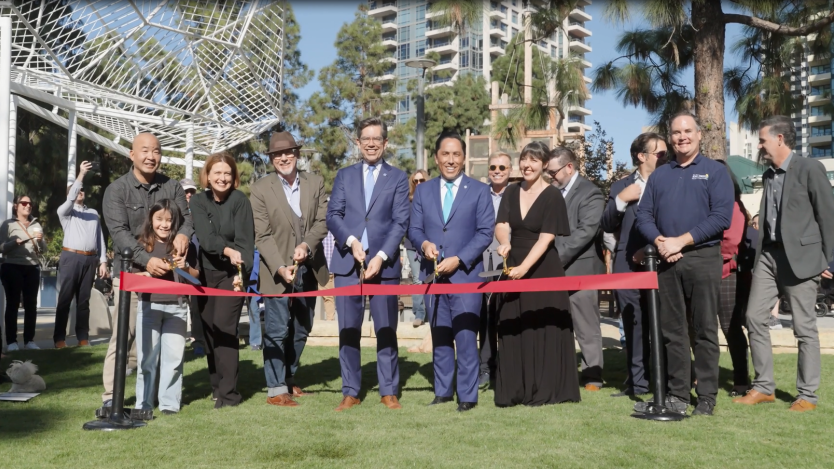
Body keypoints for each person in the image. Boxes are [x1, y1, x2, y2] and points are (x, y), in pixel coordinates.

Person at [635, 111, 734, 416]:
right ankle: (678, 393)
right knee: (672, 331)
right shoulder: (660, 175)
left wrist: (682, 240)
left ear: (699, 134)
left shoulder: (715, 172)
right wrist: (663, 242)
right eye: (676, 132)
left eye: (688, 131)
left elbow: (721, 218)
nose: (682, 137)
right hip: (666, 260)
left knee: (703, 329)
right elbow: (643, 215)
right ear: (670, 137)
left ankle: (706, 396)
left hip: (702, 257)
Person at [734, 115, 834, 412]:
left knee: (804, 328)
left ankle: (807, 396)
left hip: (801, 259)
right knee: (753, 318)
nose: (760, 146)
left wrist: (828, 259)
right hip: (768, 257)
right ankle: (764, 387)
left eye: (763, 140)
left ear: (780, 139)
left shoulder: (809, 168)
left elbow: (828, 216)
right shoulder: (768, 175)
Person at [101, 132, 192, 413]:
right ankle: (110, 397)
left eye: (156, 151)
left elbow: (187, 219)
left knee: (161, 346)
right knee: (123, 338)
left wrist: (184, 235)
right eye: (145, 150)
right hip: (131, 275)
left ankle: (157, 400)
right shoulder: (117, 190)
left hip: (168, 279)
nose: (151, 156)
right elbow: (119, 233)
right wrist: (144, 260)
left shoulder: (173, 186)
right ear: (131, 154)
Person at [326, 116, 410, 411]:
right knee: (348, 329)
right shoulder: (344, 176)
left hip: (384, 266)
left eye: (378, 139)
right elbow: (333, 216)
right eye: (366, 138)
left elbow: (401, 221)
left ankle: (389, 390)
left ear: (385, 143)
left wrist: (381, 256)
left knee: (386, 328)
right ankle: (350, 390)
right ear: (357, 142)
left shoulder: (398, 178)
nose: (372, 143)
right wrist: (351, 242)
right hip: (348, 263)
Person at [408, 132, 494, 412]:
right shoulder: (423, 190)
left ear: (464, 158)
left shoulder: (480, 191)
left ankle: (467, 395)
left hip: (466, 276)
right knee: (440, 336)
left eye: (456, 154)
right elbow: (414, 229)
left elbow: (485, 233)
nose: (451, 160)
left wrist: (460, 258)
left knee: (466, 337)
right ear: (436, 157)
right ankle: (443, 391)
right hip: (433, 276)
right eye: (445, 154)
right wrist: (424, 244)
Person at [494, 141, 580, 406]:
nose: (526, 165)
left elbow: (546, 239)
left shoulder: (553, 195)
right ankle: (515, 390)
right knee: (513, 325)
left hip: (542, 268)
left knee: (542, 327)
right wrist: (504, 241)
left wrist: (524, 268)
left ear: (544, 165)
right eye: (523, 159)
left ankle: (544, 389)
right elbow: (501, 224)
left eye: (533, 160)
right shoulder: (510, 191)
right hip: (514, 262)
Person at [250, 131, 329, 408]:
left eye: (288, 152)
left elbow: (322, 221)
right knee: (276, 329)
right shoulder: (260, 189)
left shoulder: (315, 183)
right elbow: (262, 235)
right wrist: (281, 267)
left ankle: (288, 376)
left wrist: (306, 245)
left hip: (310, 267)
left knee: (302, 328)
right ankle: (275, 389)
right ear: (271, 159)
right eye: (277, 154)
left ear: (296, 154)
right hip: (277, 271)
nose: (283, 157)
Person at [601, 132, 666, 397]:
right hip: (626, 266)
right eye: (659, 153)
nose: (665, 157)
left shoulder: (670, 182)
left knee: (662, 325)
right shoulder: (621, 186)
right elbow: (606, 224)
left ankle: (668, 381)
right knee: (633, 325)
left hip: (662, 263)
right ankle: (638, 383)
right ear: (642, 156)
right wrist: (621, 200)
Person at [190, 151, 255, 409]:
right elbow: (205, 239)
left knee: (224, 327)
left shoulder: (240, 201)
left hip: (232, 274)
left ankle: (229, 396)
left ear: (234, 177)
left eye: (228, 173)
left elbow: (245, 242)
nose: (223, 178)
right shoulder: (198, 201)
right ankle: (217, 387)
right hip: (205, 274)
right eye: (217, 172)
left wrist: (241, 269)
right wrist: (226, 249)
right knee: (208, 331)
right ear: (207, 175)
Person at [546, 146, 606, 391]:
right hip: (552, 271)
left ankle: (593, 376)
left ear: (569, 167)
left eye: (553, 171)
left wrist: (554, 259)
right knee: (556, 325)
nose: (550, 176)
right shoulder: (551, 193)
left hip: (581, 271)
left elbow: (585, 233)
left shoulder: (591, 193)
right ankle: (561, 373)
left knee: (586, 327)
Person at [133, 199, 199, 415]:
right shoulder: (141, 245)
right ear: (151, 220)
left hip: (177, 307)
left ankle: (169, 404)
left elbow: (197, 277)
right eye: (159, 219)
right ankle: (144, 403)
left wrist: (186, 267)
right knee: (147, 360)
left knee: (174, 359)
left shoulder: (183, 244)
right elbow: (132, 276)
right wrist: (146, 274)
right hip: (148, 306)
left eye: (169, 220)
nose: (164, 224)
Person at [53, 161, 109, 348]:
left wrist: (103, 261)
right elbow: (70, 199)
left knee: (84, 301)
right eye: (77, 190)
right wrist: (81, 175)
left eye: (82, 190)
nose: (80, 192)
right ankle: (59, 339)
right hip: (71, 258)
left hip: (90, 259)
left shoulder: (93, 213)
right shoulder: (65, 213)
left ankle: (82, 338)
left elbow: (99, 237)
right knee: (65, 299)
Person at [714, 159, 752, 397]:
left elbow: (731, 243)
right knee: (701, 328)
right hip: (707, 272)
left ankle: (741, 380)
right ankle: (701, 376)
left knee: (731, 328)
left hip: (729, 273)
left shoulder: (734, 206)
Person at [478, 152, 510, 387]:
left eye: (502, 167)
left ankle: (507, 369)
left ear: (510, 169)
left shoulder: (519, 194)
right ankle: (485, 368)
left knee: (507, 316)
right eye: (493, 166)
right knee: (485, 318)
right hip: (482, 261)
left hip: (512, 261)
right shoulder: (479, 193)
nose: (497, 170)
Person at [1, 195, 47, 351]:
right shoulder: (8, 224)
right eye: (24, 203)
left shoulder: (36, 225)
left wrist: (40, 241)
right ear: (16, 206)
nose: (28, 206)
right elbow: (1, 247)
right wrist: (14, 243)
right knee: (13, 304)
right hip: (12, 266)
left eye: (30, 203)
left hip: (32, 267)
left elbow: (43, 250)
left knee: (31, 305)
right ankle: (11, 342)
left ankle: (29, 340)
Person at [180, 177, 206, 357]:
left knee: (196, 305)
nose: (189, 195)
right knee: (178, 303)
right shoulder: (174, 214)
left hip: (195, 266)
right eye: (185, 192)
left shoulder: (200, 213)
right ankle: (177, 341)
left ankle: (198, 340)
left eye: (192, 192)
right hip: (176, 265)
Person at [405, 169, 429, 327]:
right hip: (412, 247)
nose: (419, 183)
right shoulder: (408, 201)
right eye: (416, 181)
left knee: (430, 279)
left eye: (422, 181)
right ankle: (419, 314)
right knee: (417, 279)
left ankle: (431, 312)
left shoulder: (434, 200)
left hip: (431, 246)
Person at [321, 231, 336, 320]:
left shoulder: (337, 230)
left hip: (338, 269)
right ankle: (331, 321)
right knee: (328, 297)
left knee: (343, 297)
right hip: (324, 270)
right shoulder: (321, 230)